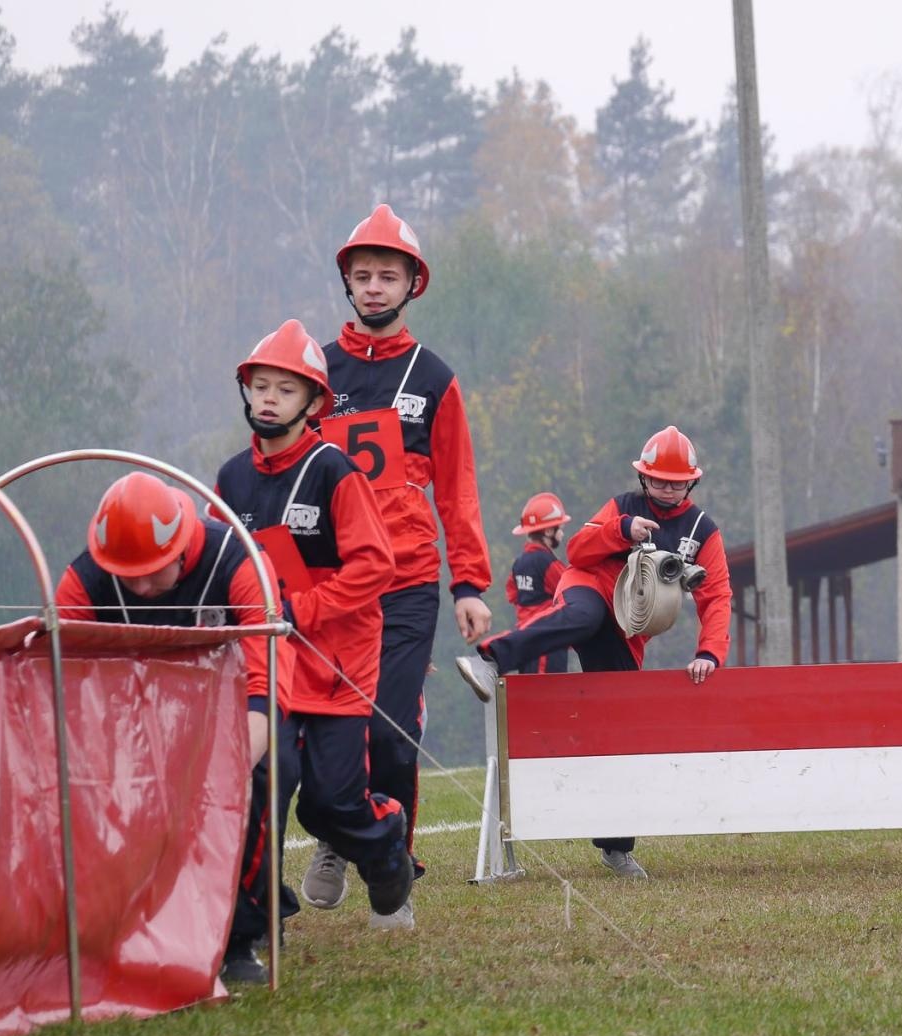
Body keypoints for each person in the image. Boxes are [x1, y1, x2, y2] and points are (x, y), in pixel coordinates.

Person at [311, 203, 494, 927]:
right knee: (331, 730)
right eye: (364, 276)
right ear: (348, 284)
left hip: (409, 582)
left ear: (413, 283)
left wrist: (470, 584)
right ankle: (335, 835)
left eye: (389, 275)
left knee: (388, 730)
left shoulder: (436, 378)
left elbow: (458, 487)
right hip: (328, 586)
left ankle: (392, 867)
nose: (376, 287)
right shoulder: (314, 372)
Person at [55, 472, 298, 986]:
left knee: (265, 779)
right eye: (127, 577)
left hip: (233, 716)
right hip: (133, 723)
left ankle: (240, 937)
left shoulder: (237, 559)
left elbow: (269, 675)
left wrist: (230, 764)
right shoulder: (84, 580)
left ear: (182, 545)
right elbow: (61, 685)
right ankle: (119, 925)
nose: (140, 588)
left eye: (152, 573)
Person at [457, 425, 733, 877]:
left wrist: (709, 652)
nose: (666, 487)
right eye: (658, 478)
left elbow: (717, 595)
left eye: (676, 480)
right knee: (581, 618)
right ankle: (490, 659)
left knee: (622, 724)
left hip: (627, 630)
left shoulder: (703, 530)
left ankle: (615, 847)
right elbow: (579, 550)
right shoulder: (623, 506)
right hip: (589, 590)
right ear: (643, 478)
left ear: (692, 482)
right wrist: (622, 529)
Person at [215, 318, 413, 934]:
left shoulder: (335, 470)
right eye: (260, 387)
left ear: (313, 404)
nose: (268, 399)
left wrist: (300, 611)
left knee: (330, 801)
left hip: (337, 664)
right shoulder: (228, 479)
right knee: (267, 776)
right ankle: (252, 915)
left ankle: (386, 849)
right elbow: (219, 565)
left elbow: (375, 567)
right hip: (268, 662)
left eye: (284, 390)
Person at [503, 491, 573, 673]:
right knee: (550, 697)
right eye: (560, 528)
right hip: (548, 642)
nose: (562, 533)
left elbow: (512, 594)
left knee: (529, 695)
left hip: (525, 641)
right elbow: (570, 591)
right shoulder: (548, 562)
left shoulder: (519, 563)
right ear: (549, 531)